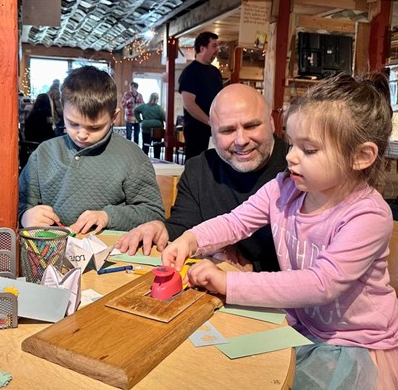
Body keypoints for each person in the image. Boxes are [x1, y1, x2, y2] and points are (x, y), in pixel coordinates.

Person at [162, 74, 398, 389]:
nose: (290, 156)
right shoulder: (284, 187)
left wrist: (228, 282)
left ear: (361, 156)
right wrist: (191, 239)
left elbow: (321, 283)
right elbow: (235, 221)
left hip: (360, 344)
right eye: (292, 144)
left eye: (308, 149)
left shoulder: (367, 214)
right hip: (305, 325)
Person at [116, 84, 288, 272]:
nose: (241, 140)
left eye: (251, 126)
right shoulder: (199, 170)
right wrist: (160, 229)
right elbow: (182, 227)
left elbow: (308, 264)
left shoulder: (298, 170)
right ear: (212, 134)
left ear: (271, 123)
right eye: (227, 131)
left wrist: (251, 269)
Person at [19, 66, 165, 234]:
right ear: (62, 110)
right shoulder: (44, 153)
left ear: (114, 117)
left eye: (95, 127)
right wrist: (25, 216)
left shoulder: (132, 157)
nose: (82, 135)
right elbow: (18, 202)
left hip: (110, 248)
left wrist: (107, 217)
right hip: (50, 247)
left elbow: (153, 213)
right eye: (73, 123)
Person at [178, 31, 223, 159]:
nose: (217, 50)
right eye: (214, 46)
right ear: (202, 48)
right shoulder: (190, 72)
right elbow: (189, 104)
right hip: (196, 130)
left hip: (215, 130)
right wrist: (209, 121)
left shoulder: (215, 72)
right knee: (197, 165)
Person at [133, 92, 166, 159]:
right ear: (157, 99)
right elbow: (165, 118)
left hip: (146, 128)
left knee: (145, 144)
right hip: (157, 130)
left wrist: (140, 120)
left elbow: (135, 110)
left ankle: (145, 159)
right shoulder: (159, 108)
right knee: (157, 145)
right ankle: (157, 159)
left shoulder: (144, 106)